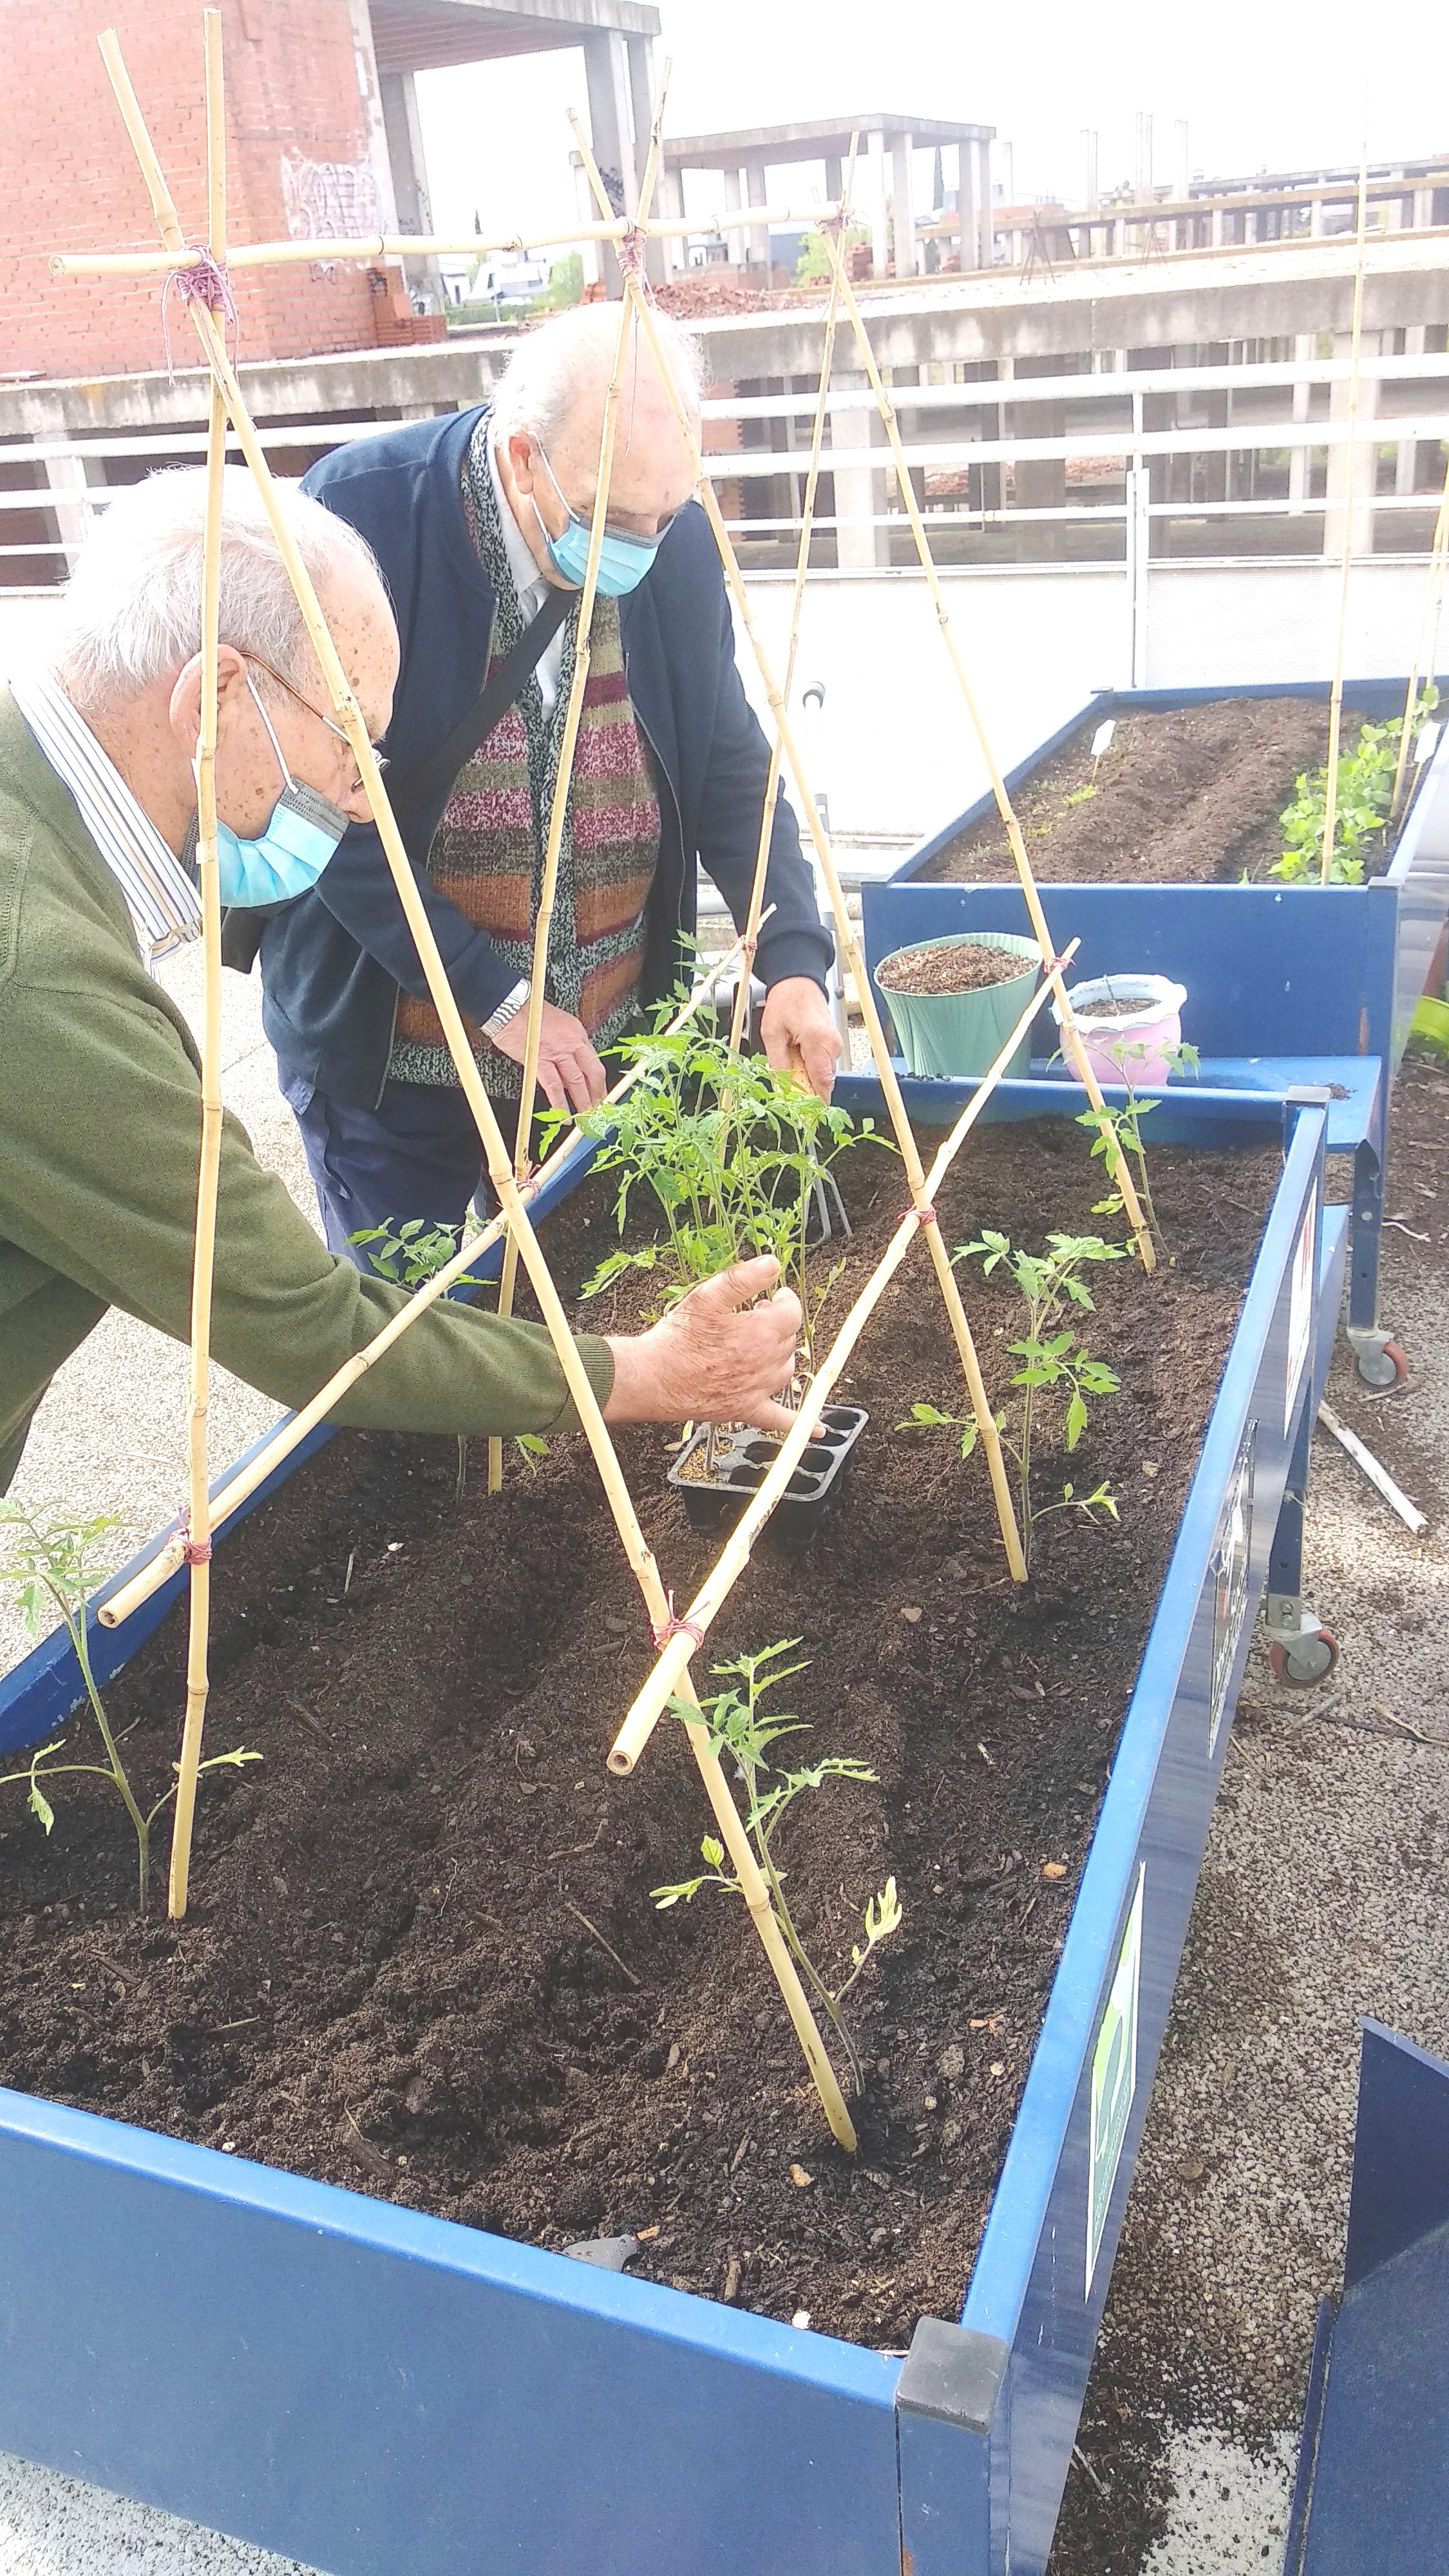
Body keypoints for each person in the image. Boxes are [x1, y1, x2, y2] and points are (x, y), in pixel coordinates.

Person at [0, 469, 802, 1498]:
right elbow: (301, 1322)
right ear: (215, 700)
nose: (364, 796)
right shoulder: (44, 984)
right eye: (349, 738)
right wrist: (643, 1371)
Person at [254, 299, 840, 1263]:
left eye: (669, 510)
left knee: (588, 1319)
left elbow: (730, 759)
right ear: (523, 457)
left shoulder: (674, 542)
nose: (647, 543)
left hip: (598, 1053)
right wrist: (493, 995)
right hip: (395, 1058)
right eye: (618, 516)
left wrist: (793, 959)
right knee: (414, 1329)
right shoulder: (363, 514)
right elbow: (307, 795)